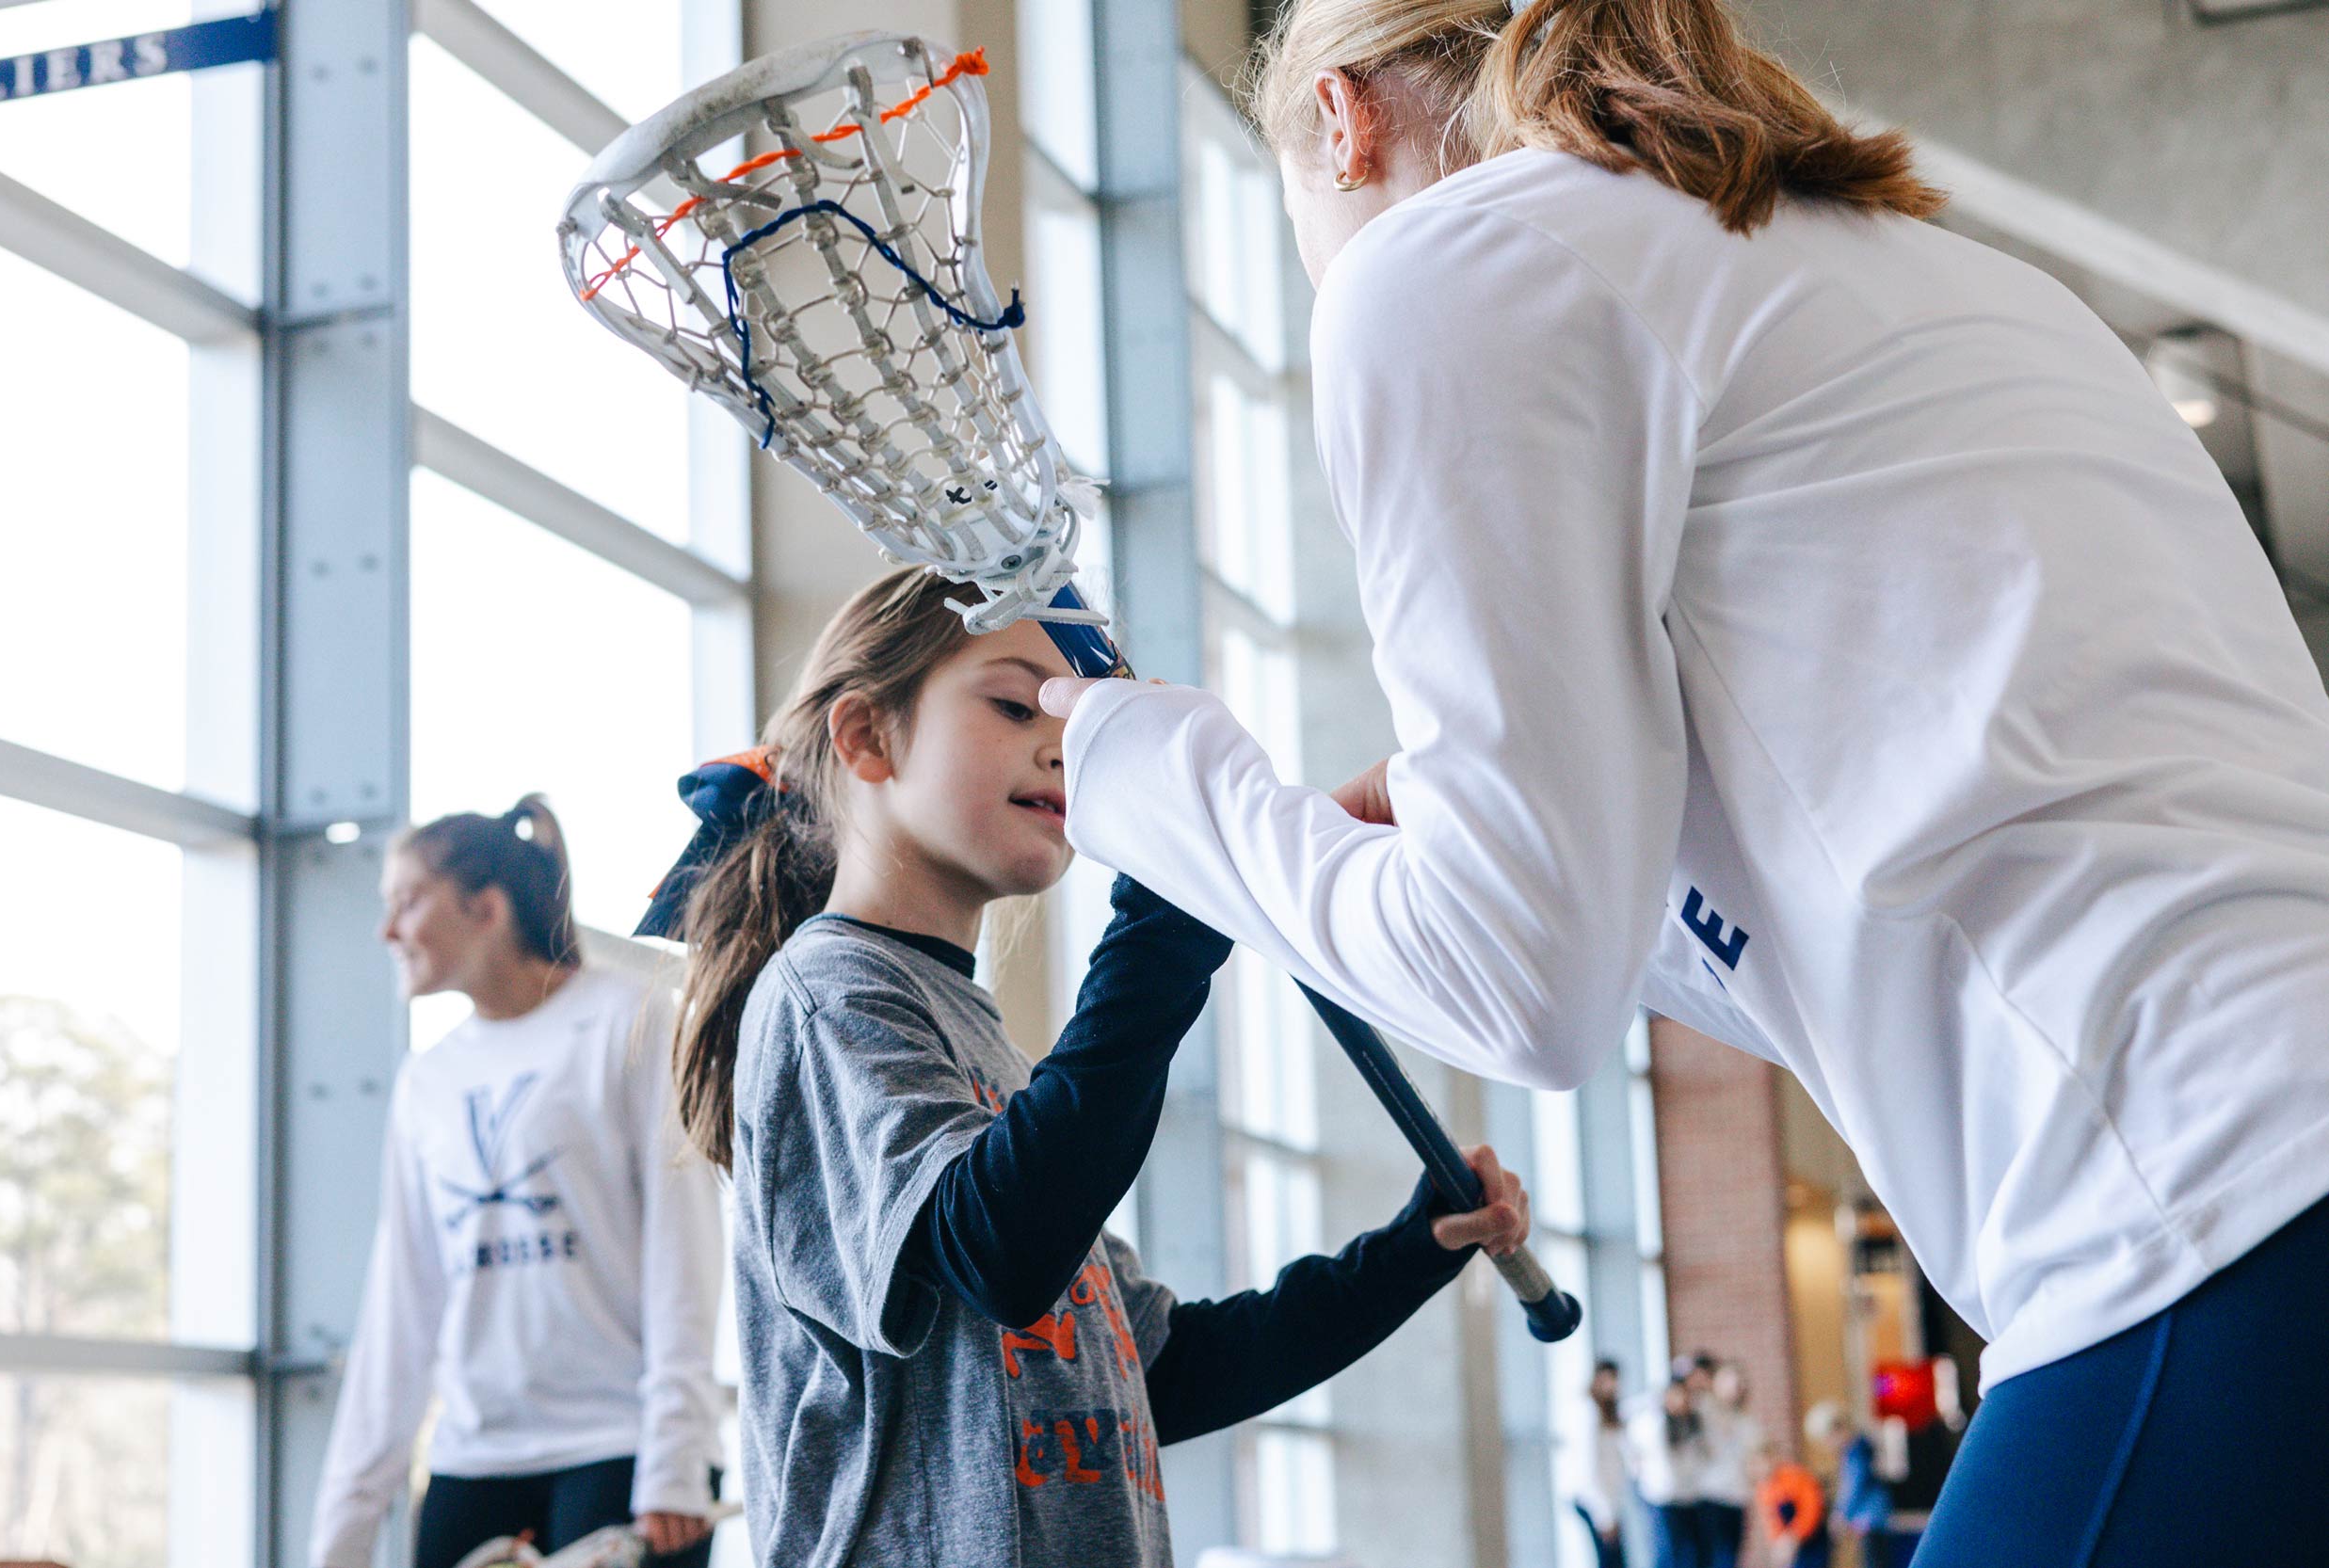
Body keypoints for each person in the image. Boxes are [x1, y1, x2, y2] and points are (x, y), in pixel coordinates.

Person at [1033, 0, 2329, 1556]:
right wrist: (1551, 862)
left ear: (1343, 120)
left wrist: (1157, 784)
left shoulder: (1443, 264)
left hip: (2205, 1189)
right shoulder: (1932, 271)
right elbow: (1834, 887)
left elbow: (1515, 992)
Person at [651, 568, 1534, 1566]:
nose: (1061, 744)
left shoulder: (973, 1045)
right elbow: (1001, 1249)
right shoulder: (828, 995)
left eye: (1075, 719)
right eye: (1014, 701)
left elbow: (1161, 1371)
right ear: (867, 737)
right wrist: (1183, 896)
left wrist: (1410, 1251)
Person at [309, 797, 724, 1568]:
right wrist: (343, 1533)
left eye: (406, 902)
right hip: (476, 1459)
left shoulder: (631, 1019)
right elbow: (401, 1306)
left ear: (486, 908)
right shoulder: (426, 1081)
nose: (386, 932)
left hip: (621, 1452)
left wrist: (676, 1453)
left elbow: (685, 1243)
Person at [1628, 1366, 1709, 1568]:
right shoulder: (1653, 1423)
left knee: (1692, 1554)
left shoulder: (1691, 1423)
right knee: (1668, 1553)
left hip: (1688, 1497)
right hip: (1662, 1497)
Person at [1807, 1402, 1896, 1568]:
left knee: (1875, 1561)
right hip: (1866, 1518)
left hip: (1871, 1518)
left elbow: (1855, 1486)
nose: (1828, 1446)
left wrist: (1841, 1513)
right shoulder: (1852, 1452)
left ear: (1837, 1430)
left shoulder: (1856, 1451)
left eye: (1827, 1439)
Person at [1694, 1355, 1759, 1568]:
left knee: (1731, 1558)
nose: (1736, 1387)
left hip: (1738, 1497)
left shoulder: (1745, 1420)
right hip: (1712, 1496)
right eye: (1730, 1381)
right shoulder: (1704, 1411)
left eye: (1739, 1383)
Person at [1572, 1359, 1630, 1568]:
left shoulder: (1610, 1412)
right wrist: (1604, 1515)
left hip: (1611, 1499)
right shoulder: (1587, 1413)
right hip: (1595, 1501)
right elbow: (1589, 1466)